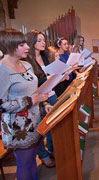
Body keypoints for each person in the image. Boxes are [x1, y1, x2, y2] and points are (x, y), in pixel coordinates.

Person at [0, 29, 49, 180]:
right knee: (25, 164)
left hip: (35, 120)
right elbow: (1, 105)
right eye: (22, 44)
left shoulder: (27, 64)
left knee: (32, 160)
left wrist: (44, 101)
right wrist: (31, 101)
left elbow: (34, 90)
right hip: (18, 127)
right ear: (9, 46)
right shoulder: (2, 69)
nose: (28, 47)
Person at [25, 30, 57, 167]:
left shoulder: (45, 57)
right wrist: (49, 79)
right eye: (39, 40)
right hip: (37, 98)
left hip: (51, 94)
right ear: (31, 42)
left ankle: (52, 150)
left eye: (44, 40)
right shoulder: (26, 61)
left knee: (52, 126)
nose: (43, 42)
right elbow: (33, 82)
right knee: (40, 128)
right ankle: (43, 156)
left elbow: (50, 73)